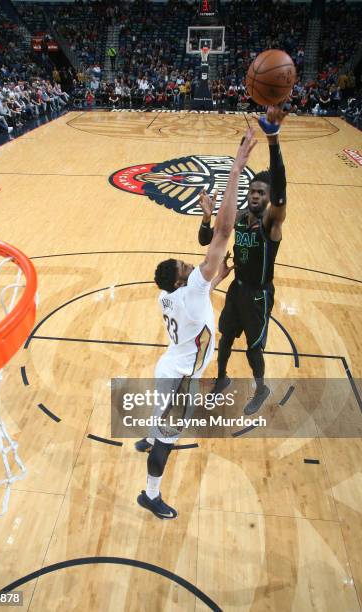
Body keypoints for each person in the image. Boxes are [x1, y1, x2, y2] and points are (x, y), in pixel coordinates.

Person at [135, 128, 257, 520]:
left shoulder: (169, 294)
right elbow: (222, 232)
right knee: (166, 444)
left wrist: (216, 277)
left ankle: (150, 435)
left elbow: (202, 284)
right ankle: (150, 494)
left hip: (168, 367)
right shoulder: (188, 291)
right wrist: (236, 166)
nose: (193, 267)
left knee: (159, 425)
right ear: (179, 280)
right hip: (180, 377)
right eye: (187, 268)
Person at [198, 106, 288, 415]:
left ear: (269, 197)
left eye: (261, 192)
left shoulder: (270, 223)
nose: (254, 195)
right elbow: (206, 241)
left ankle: (260, 388)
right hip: (237, 288)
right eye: (252, 191)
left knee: (253, 348)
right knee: (224, 339)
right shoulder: (239, 215)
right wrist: (207, 218)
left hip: (259, 294)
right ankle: (222, 379)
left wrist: (273, 141)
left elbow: (281, 191)